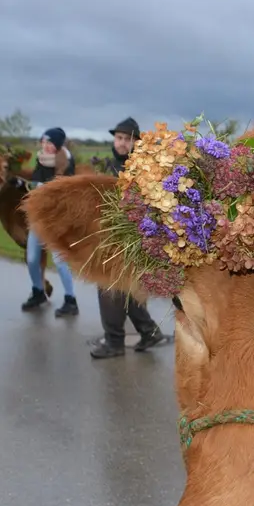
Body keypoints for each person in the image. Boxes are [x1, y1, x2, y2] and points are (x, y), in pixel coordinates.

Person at [90, 117, 170, 359]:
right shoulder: (110, 166)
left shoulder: (141, 168)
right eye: (119, 138)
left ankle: (114, 341)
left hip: (131, 236)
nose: (122, 143)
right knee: (123, 288)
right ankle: (149, 332)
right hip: (111, 235)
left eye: (127, 139)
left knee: (108, 285)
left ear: (136, 143)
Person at [21, 127, 78, 316]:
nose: (44, 146)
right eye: (43, 142)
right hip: (39, 216)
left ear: (58, 145)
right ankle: (38, 292)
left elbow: (63, 190)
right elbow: (36, 183)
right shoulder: (41, 160)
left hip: (57, 219)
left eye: (49, 143)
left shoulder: (65, 163)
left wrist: (42, 191)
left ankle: (71, 300)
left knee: (59, 260)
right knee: (31, 259)